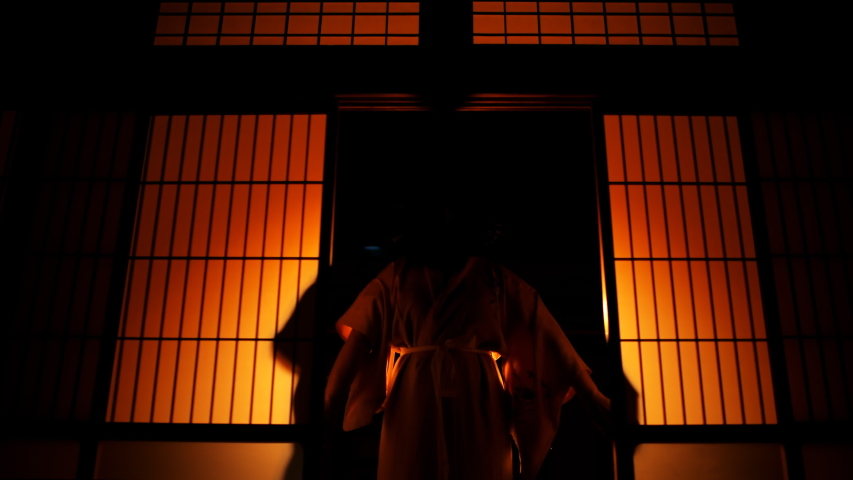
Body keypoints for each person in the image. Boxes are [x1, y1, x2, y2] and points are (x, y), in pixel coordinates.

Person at [323, 195, 610, 480]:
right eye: (439, 214)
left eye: (454, 214)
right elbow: (357, 345)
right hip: (414, 392)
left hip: (479, 393)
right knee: (411, 464)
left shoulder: (494, 278)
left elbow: (545, 334)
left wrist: (591, 394)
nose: (447, 223)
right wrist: (326, 414)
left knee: (481, 464)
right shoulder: (396, 277)